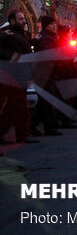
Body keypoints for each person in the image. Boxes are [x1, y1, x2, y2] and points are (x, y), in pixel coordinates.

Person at [0, 10, 39, 144]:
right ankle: (20, 134)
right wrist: (12, 56)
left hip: (20, 77)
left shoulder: (20, 36)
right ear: (12, 21)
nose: (24, 21)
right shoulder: (8, 35)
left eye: (23, 18)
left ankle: (21, 134)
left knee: (16, 109)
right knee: (12, 108)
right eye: (20, 19)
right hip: (11, 77)